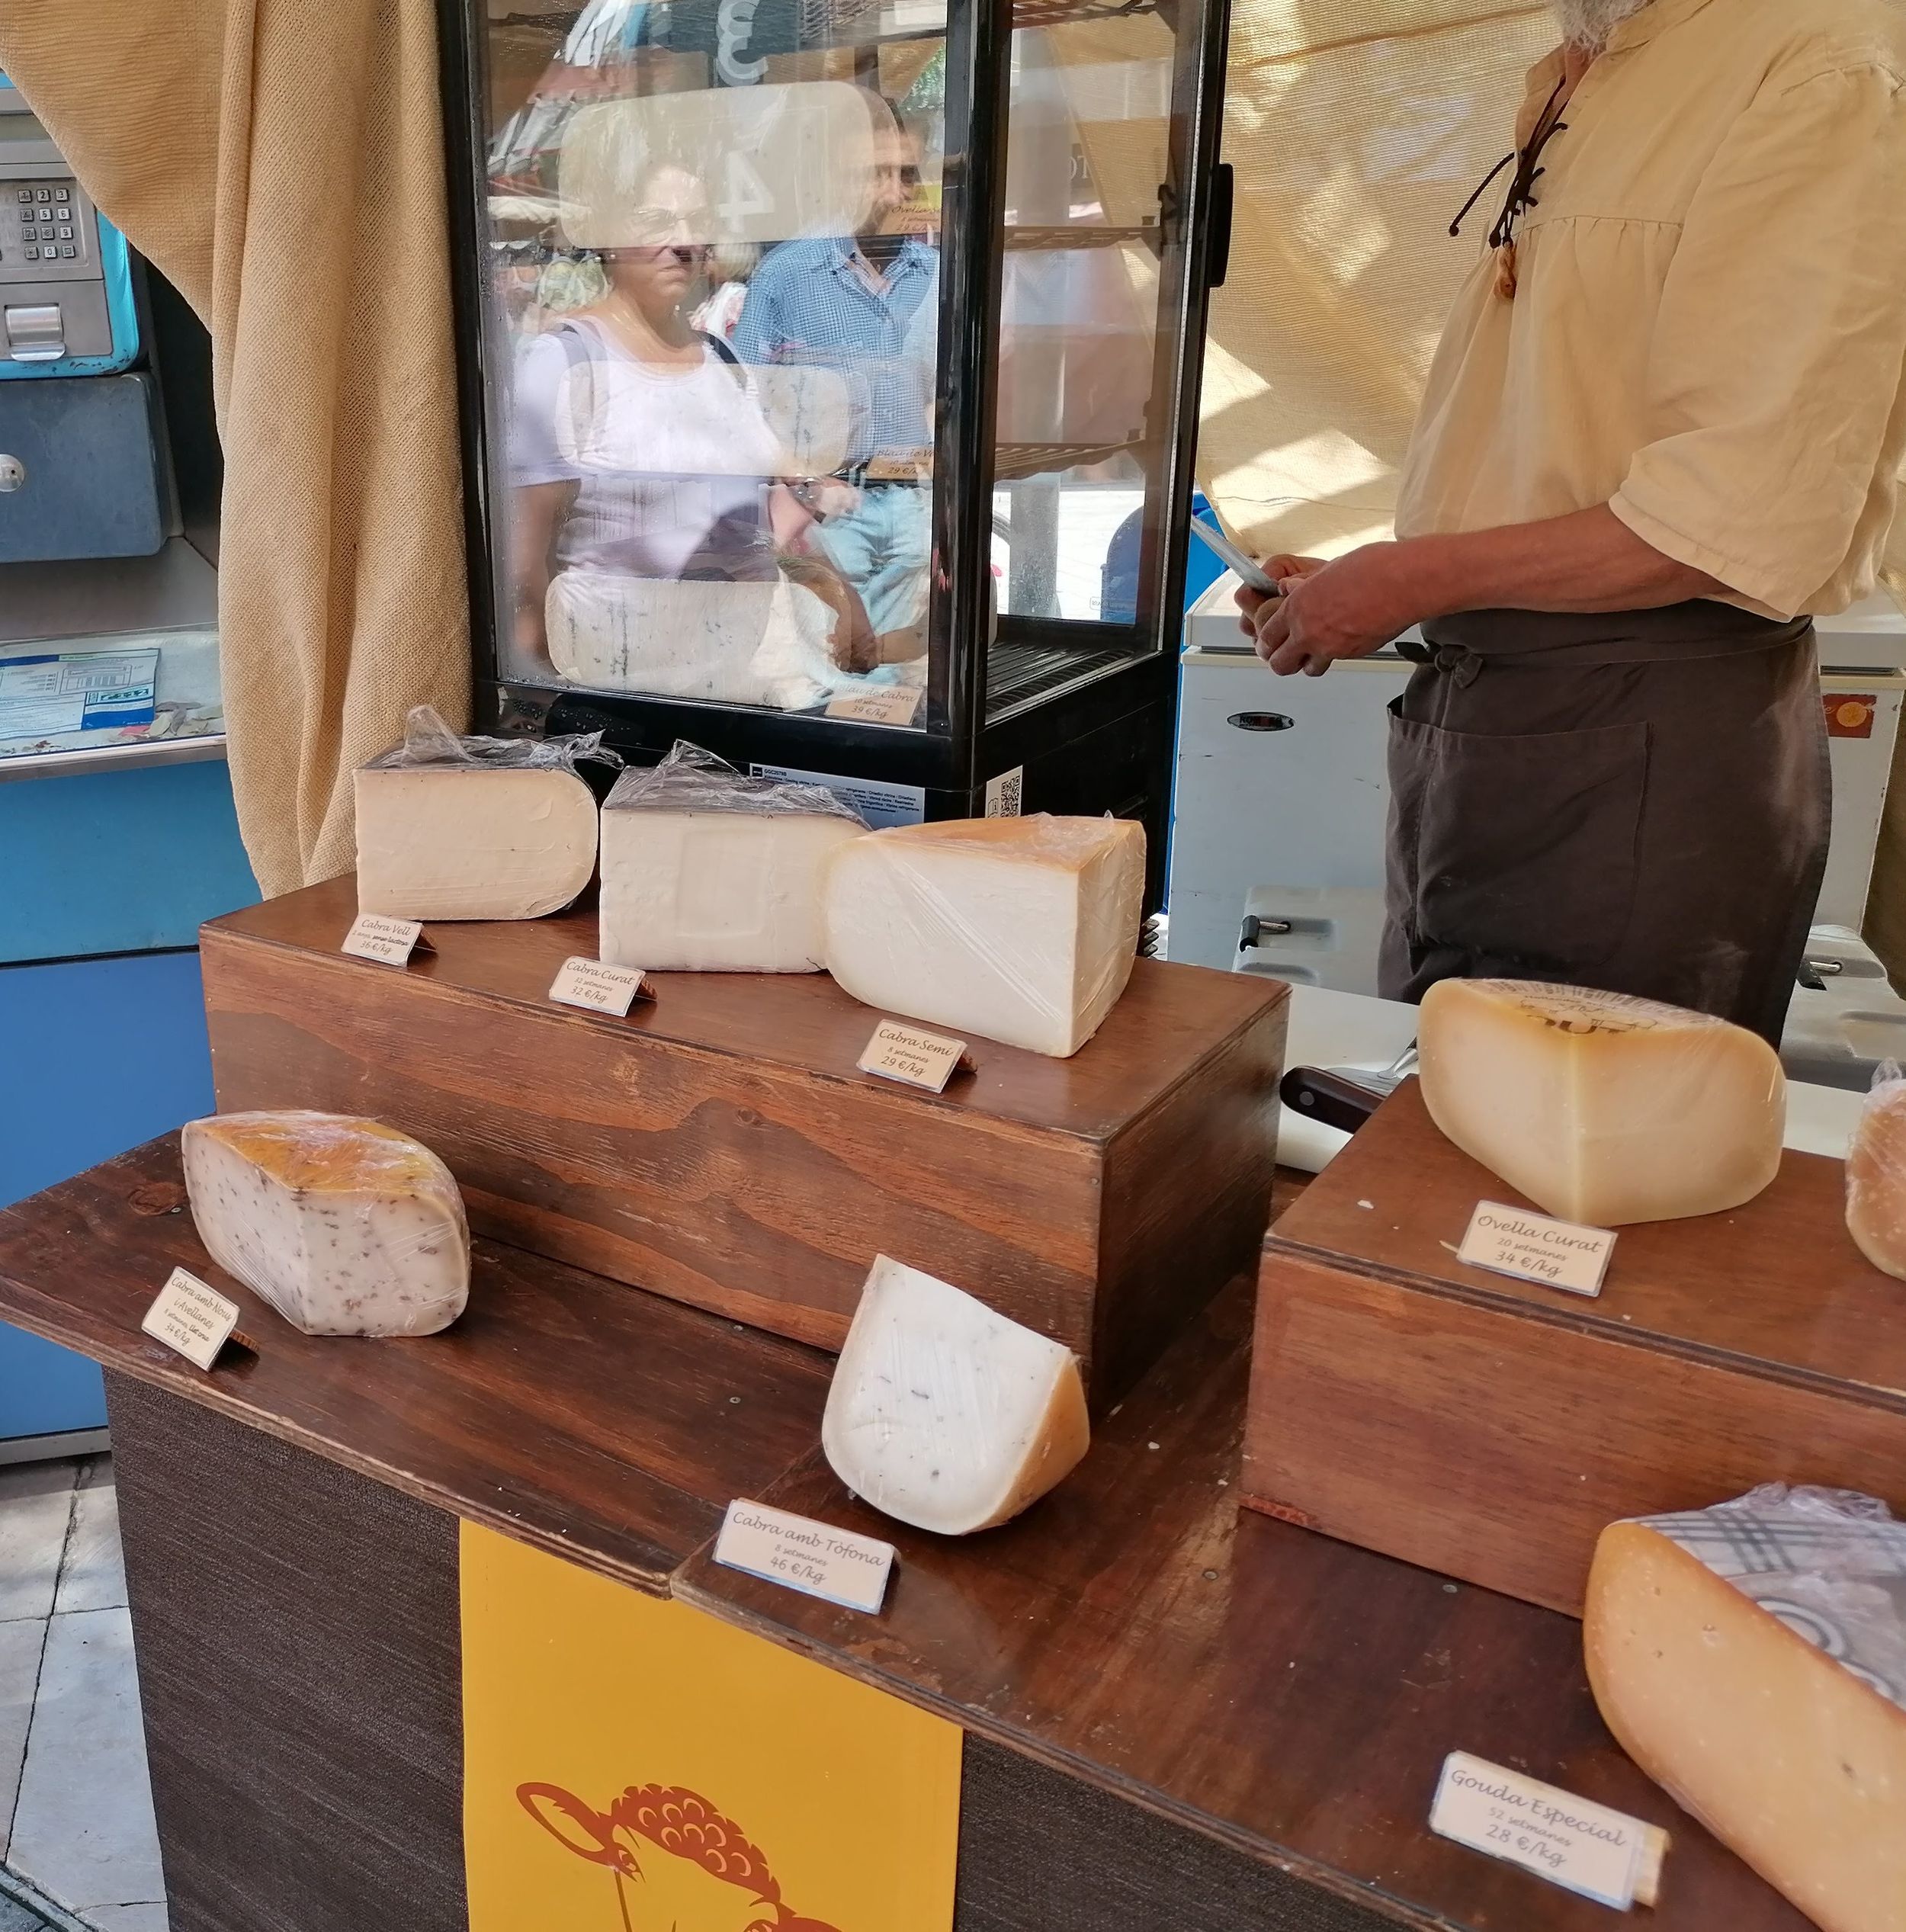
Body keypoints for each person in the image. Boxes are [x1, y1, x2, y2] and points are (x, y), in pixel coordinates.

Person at [1236, 0, 1906, 1046]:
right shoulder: (1597, 60)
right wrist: (1389, 578)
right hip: (1502, 717)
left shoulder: (1816, 57)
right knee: (1452, 1087)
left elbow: (1732, 515)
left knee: (1585, 1123)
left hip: (1640, 739)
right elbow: (1569, 429)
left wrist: (1413, 578)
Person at [508, 156, 842, 672]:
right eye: (658, 221)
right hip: (618, 681)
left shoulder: (721, 359)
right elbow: (526, 555)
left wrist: (839, 591)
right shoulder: (567, 362)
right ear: (608, 236)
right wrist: (544, 679)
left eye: (697, 223)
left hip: (737, 678)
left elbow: (778, 488)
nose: (684, 242)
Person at [732, 95, 937, 655]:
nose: (895, 193)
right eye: (876, 174)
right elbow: (742, 398)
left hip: (915, 505)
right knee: (831, 670)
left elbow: (951, 395)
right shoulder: (787, 275)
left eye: (907, 174)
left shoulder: (937, 277)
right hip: (828, 510)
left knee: (895, 671)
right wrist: (806, 486)